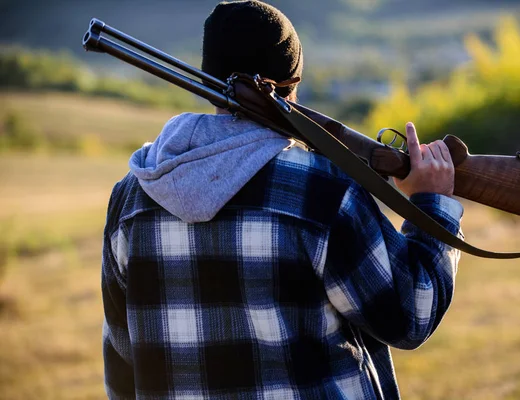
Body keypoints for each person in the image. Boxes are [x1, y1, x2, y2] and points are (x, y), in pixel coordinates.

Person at [101, 1, 463, 399]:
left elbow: (124, 361)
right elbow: (410, 314)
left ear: (207, 79)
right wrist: (432, 205)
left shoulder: (129, 197)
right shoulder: (325, 190)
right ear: (293, 83)